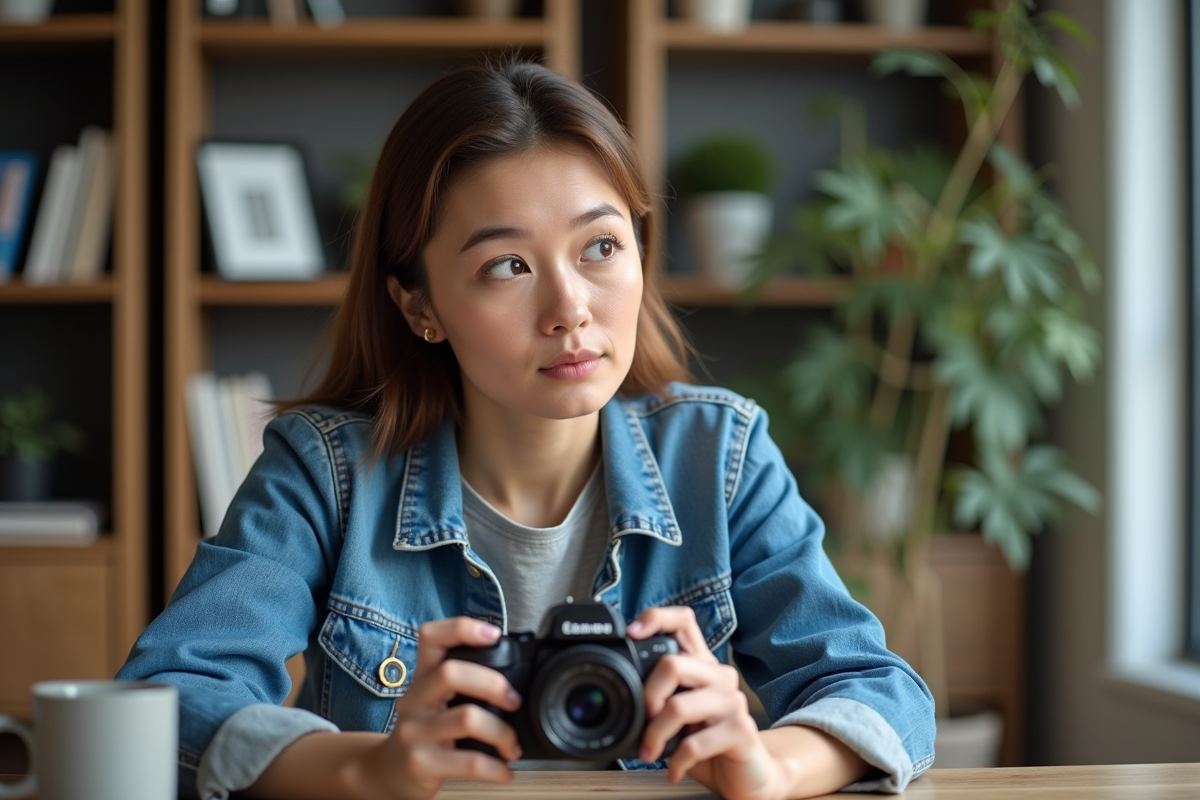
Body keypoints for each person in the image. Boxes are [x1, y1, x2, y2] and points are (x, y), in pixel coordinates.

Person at [118, 59, 935, 800]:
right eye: (507, 265)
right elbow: (172, 696)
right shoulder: (328, 473)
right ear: (420, 305)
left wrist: (769, 766)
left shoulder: (719, 458)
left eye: (601, 247)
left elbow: (881, 692)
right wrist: (369, 768)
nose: (570, 309)